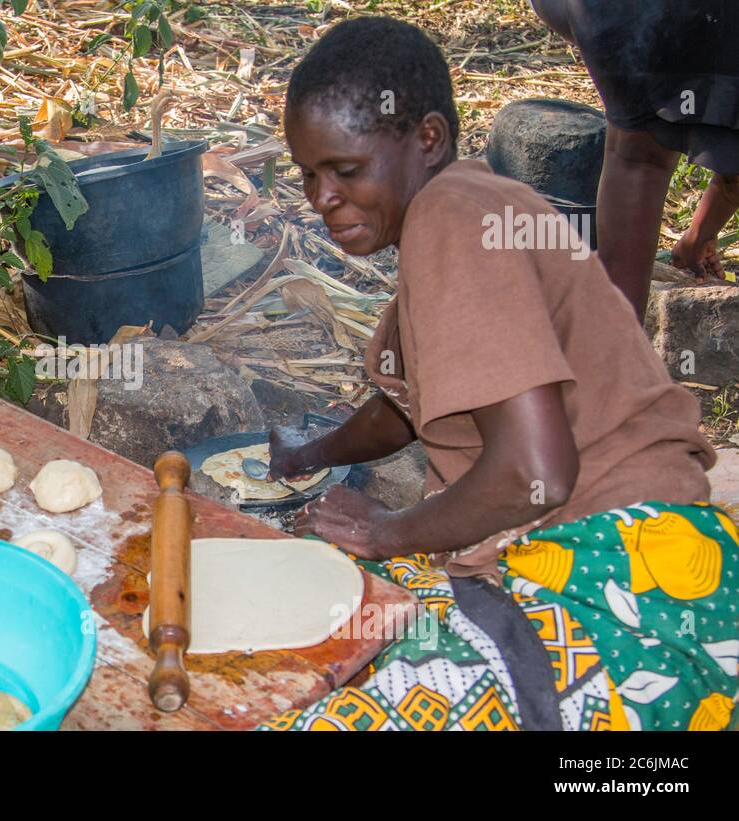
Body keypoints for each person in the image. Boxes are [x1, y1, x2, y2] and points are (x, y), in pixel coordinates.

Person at [261, 16, 737, 731]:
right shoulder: (473, 207)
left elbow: (535, 473)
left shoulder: (449, 221)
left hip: (622, 584)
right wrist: (310, 454)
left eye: (346, 170)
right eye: (308, 174)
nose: (321, 197)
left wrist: (387, 531)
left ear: (427, 139)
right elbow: (404, 408)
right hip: (648, 558)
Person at [531, 0, 739, 318]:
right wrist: (700, 234)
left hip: (619, 15)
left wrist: (699, 235)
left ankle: (614, 343)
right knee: (639, 156)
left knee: (637, 158)